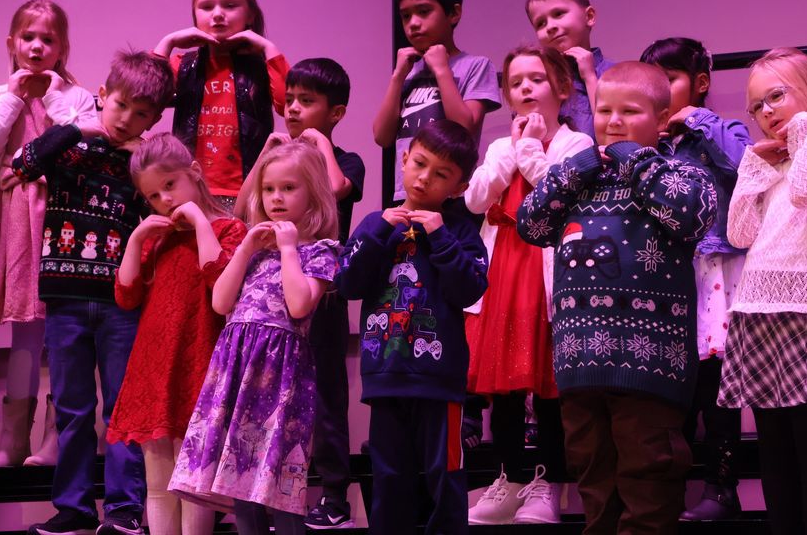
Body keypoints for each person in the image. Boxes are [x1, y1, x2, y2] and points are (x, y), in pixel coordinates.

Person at [518, 62, 717, 534]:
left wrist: (636, 160)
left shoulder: (678, 169)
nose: (612, 121)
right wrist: (580, 165)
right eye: (604, 110)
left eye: (630, 111)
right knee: (594, 487)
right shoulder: (581, 177)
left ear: (663, 117)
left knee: (648, 483)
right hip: (578, 362)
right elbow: (532, 224)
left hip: (650, 366)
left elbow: (692, 214)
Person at [12, 50, 175, 535]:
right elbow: (24, 162)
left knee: (123, 408)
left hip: (122, 304)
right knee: (72, 408)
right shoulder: (70, 148)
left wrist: (144, 160)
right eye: (120, 105)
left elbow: (168, 207)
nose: (126, 120)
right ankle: (75, 509)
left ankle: (125, 511)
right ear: (102, 97)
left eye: (141, 114)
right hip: (64, 300)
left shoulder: (142, 166)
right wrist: (80, 129)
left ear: (156, 118)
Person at [718, 48, 807, 535]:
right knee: (774, 450)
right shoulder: (774, 167)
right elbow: (739, 233)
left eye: (776, 96)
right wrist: (751, 168)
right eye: (757, 106)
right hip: (759, 311)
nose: (767, 113)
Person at [170, 141, 340, 535]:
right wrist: (246, 246)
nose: (276, 198)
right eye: (269, 189)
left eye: (288, 188)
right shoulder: (255, 252)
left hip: (280, 379)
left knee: (279, 479)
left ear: (312, 192)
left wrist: (287, 249)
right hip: (236, 371)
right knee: (238, 478)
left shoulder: (319, 251)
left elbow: (299, 305)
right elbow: (221, 301)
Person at [338, 120, 488, 535]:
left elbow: (470, 289)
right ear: (404, 160)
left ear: (458, 187)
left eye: (441, 174)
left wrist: (441, 239)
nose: (425, 178)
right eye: (419, 164)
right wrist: (378, 229)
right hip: (386, 377)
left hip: (440, 381)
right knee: (389, 478)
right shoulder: (375, 224)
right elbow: (346, 284)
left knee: (446, 476)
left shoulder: (459, 232)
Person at [235, 57, 366, 529]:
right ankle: (262, 492)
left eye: (306, 102)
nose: (292, 110)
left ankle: (333, 494)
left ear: (336, 112)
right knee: (272, 399)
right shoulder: (276, 168)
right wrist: (268, 155)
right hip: (270, 303)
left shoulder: (345, 159)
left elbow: (335, 188)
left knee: (327, 395)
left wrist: (318, 143)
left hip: (320, 293)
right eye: (288, 100)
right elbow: (243, 209)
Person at [464, 45, 592, 525]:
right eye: (515, 82)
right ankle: (512, 477)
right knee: (506, 385)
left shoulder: (574, 145)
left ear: (562, 89)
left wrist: (531, 150)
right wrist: (510, 153)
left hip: (547, 278)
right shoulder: (500, 146)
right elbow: (477, 199)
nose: (525, 89)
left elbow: (561, 195)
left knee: (549, 384)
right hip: (504, 276)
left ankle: (548, 482)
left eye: (536, 79)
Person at [106, 133, 247, 535]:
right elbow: (126, 295)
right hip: (154, 365)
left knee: (193, 482)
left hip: (199, 361)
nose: (164, 199)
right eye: (152, 196)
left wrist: (202, 220)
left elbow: (219, 279)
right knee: (158, 481)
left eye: (170, 185)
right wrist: (136, 238)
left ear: (195, 173)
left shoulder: (229, 229)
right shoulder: (159, 240)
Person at [640, 37, 752, 520]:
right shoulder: (653, 146)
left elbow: (746, 165)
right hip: (669, 273)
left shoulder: (722, 128)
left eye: (671, 80)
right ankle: (669, 488)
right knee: (673, 384)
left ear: (700, 84)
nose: (661, 93)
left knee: (717, 382)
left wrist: (699, 122)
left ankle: (721, 487)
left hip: (716, 270)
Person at [0, 0, 96, 469]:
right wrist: (12, 96)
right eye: (28, 37)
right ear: (12, 44)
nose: (36, 46)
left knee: (64, 333)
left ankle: (58, 437)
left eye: (48, 39)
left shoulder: (77, 95)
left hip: (60, 222)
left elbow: (84, 144)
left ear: (62, 48)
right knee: (25, 332)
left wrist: (50, 96)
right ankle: (13, 440)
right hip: (12, 224)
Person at [154, 0, 288, 210]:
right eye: (206, 7)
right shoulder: (184, 64)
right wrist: (167, 43)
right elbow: (147, 98)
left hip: (248, 192)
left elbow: (285, 105)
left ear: (250, 15)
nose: (217, 14)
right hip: (191, 190)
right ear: (194, 15)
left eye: (230, 5)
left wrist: (269, 49)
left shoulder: (261, 66)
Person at [372, 0, 500, 202]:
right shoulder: (408, 71)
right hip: (407, 192)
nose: (413, 23)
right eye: (406, 15)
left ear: (454, 13)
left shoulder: (476, 65)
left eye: (423, 11)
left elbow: (464, 129)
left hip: (450, 194)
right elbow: (382, 136)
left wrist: (442, 70)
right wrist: (397, 77)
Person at [525, 0, 613, 140]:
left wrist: (589, 78)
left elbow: (611, 134)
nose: (550, 26)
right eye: (540, 23)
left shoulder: (617, 75)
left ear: (589, 16)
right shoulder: (541, 82)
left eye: (558, 14)